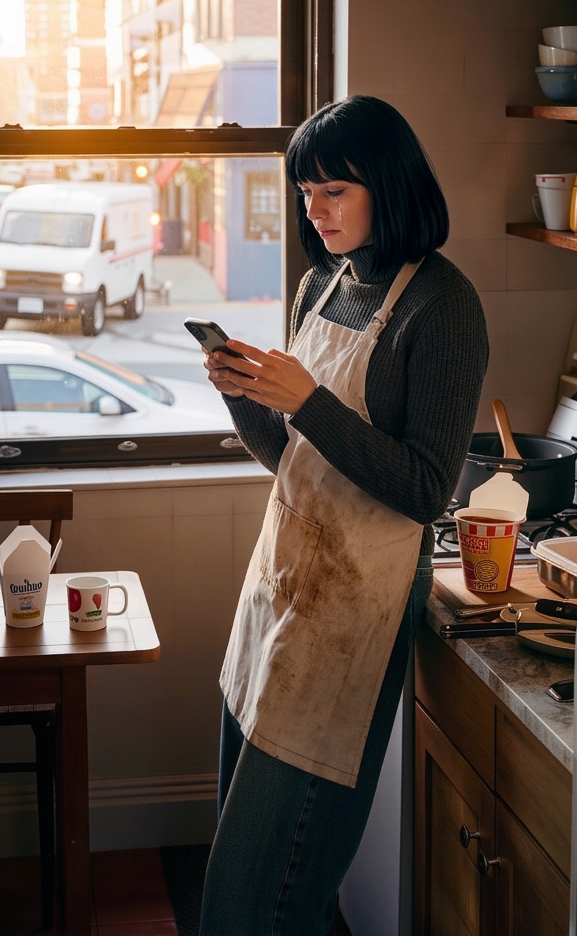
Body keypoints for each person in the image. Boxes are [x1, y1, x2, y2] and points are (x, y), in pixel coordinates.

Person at [198, 95, 488, 936]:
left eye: (334, 191)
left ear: (387, 187)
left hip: (347, 626)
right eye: (304, 192)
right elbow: (294, 456)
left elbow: (428, 486)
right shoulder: (322, 282)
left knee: (257, 902)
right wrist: (245, 395)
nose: (313, 211)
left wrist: (312, 401)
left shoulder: (445, 306)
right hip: (276, 596)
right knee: (262, 884)